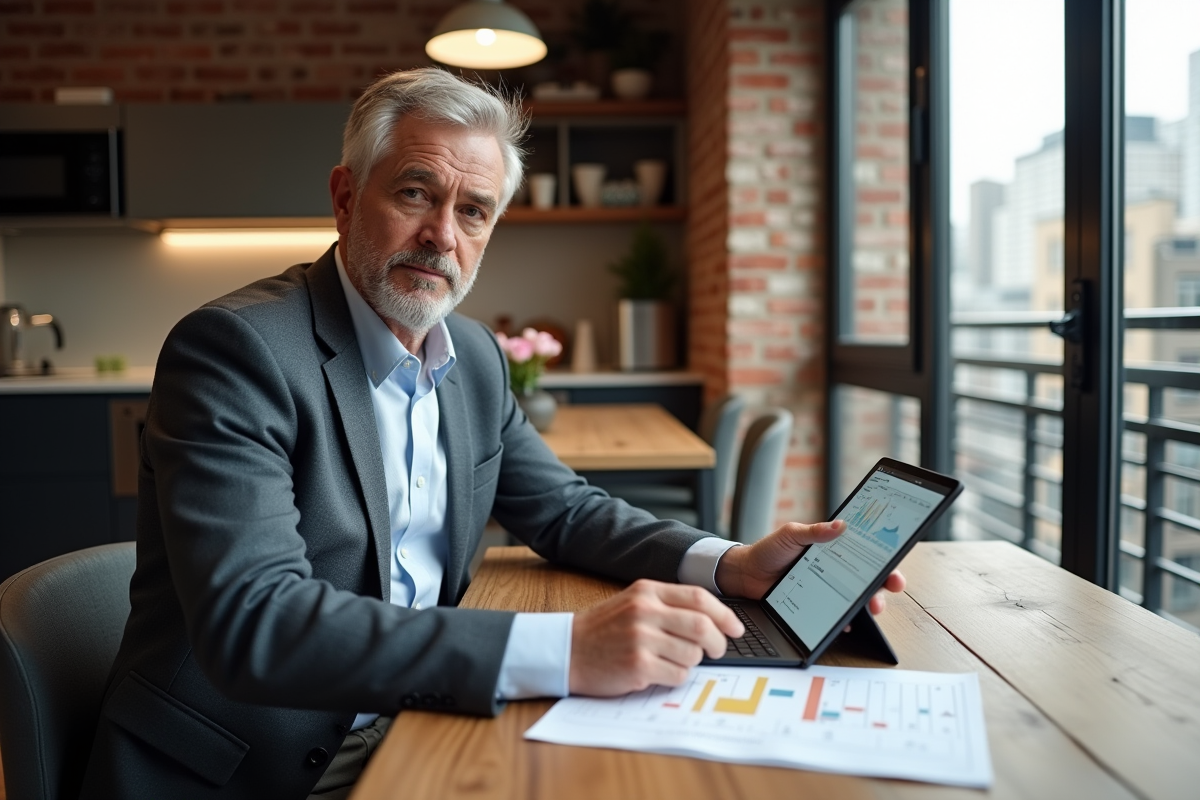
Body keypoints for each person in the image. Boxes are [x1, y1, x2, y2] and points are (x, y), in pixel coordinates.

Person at [80, 68, 905, 800]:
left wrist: (729, 562)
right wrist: (569, 646)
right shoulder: (237, 350)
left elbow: (566, 512)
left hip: (413, 719)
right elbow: (253, 622)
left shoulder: (471, 355)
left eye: (473, 211)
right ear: (343, 196)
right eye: (414, 193)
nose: (443, 233)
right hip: (247, 763)